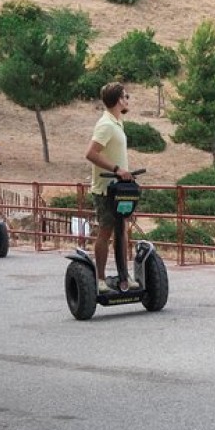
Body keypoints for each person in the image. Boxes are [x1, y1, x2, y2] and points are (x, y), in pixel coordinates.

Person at [84, 82, 138, 292]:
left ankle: (124, 276)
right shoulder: (106, 124)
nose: (128, 99)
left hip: (120, 189)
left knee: (122, 230)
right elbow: (91, 153)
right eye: (126, 96)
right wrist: (117, 169)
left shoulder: (117, 122)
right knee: (106, 231)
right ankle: (100, 279)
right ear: (118, 100)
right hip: (106, 188)